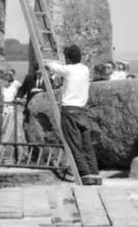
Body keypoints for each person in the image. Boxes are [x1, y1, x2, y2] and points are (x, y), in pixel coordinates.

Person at [44, 44, 100, 186]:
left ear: (68, 58)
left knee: (74, 145)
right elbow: (64, 66)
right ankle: (94, 172)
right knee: (87, 145)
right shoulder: (84, 69)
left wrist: (47, 61)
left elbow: (51, 66)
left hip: (69, 111)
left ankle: (85, 174)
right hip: (82, 111)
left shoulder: (67, 70)